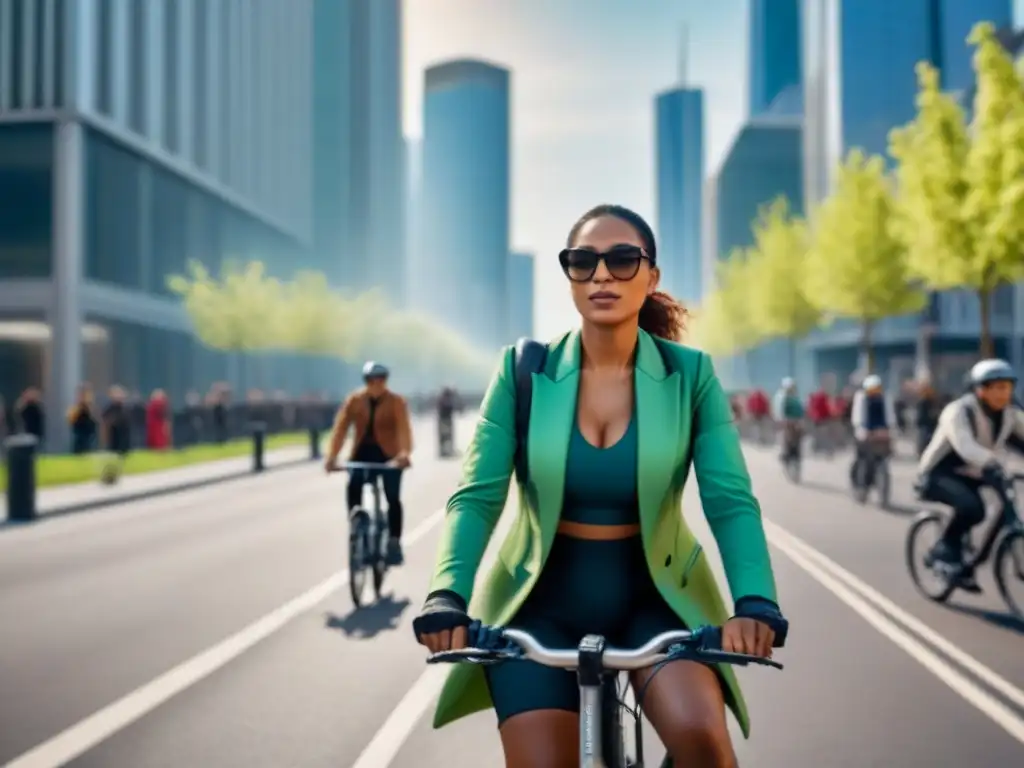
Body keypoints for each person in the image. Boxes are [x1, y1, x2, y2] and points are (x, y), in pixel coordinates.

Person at [413, 204, 786, 767]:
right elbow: (477, 495)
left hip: (656, 601)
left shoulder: (691, 374)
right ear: (569, 276)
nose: (602, 275)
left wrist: (755, 603)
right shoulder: (523, 371)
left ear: (651, 276)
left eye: (621, 259)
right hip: (537, 606)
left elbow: (730, 501)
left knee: (704, 744)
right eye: (583, 262)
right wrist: (447, 594)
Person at [917, 359, 1024, 590]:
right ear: (980, 389)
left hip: (979, 471)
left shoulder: (1010, 414)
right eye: (996, 388)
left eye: (1006, 387)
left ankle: (973, 561)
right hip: (940, 472)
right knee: (972, 508)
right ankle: (943, 548)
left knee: (1006, 506)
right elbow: (964, 446)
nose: (1003, 393)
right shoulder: (958, 411)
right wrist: (993, 462)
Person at [324, 361, 413, 566]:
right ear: (366, 381)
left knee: (393, 498)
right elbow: (341, 429)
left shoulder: (396, 402)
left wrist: (404, 454)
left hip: (390, 455)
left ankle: (393, 541)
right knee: (353, 483)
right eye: (371, 380)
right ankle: (356, 523)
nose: (376, 383)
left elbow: (404, 430)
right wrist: (332, 456)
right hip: (362, 452)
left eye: (381, 379)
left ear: (386, 380)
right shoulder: (355, 400)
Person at [849, 375, 895, 488]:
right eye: (872, 389)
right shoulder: (861, 398)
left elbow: (890, 417)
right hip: (864, 432)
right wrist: (862, 430)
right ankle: (859, 482)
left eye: (877, 388)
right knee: (862, 458)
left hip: (880, 432)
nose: (875, 391)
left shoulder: (885, 398)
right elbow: (857, 417)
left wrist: (891, 430)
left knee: (883, 455)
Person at [772, 377, 804, 461]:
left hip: (794, 420)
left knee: (797, 435)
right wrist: (781, 419)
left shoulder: (795, 398)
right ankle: (784, 453)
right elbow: (779, 409)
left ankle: (795, 452)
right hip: (785, 420)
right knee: (784, 436)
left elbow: (800, 410)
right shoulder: (781, 396)